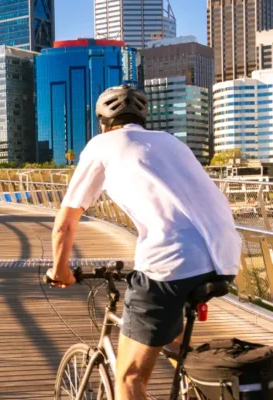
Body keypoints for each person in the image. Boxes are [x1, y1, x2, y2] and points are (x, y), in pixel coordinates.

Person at [46, 85, 242, 400]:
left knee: (128, 379)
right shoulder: (171, 142)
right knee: (173, 341)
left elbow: (65, 223)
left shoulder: (102, 145)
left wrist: (60, 271)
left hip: (171, 263)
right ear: (142, 119)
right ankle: (197, 389)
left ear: (103, 123)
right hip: (224, 256)